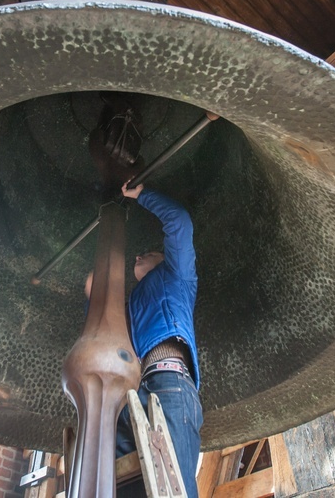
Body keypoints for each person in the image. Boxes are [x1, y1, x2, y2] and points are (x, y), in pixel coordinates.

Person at [115, 181, 203, 498]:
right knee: (127, 488)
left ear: (163, 260)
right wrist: (93, 297)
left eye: (149, 252)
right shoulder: (133, 303)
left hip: (170, 381)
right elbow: (109, 332)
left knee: (173, 483)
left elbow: (178, 221)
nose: (139, 254)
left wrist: (142, 194)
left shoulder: (178, 277)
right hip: (134, 394)